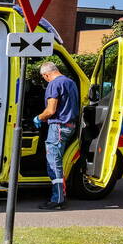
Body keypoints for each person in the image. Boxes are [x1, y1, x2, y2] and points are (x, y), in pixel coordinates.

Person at [36, 61, 79, 210]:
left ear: (47, 74)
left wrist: (38, 118)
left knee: (53, 164)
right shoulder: (71, 82)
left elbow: (51, 110)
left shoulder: (54, 84)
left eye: (44, 77)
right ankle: (61, 196)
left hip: (58, 127)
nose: (45, 80)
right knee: (58, 161)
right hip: (70, 126)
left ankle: (58, 199)